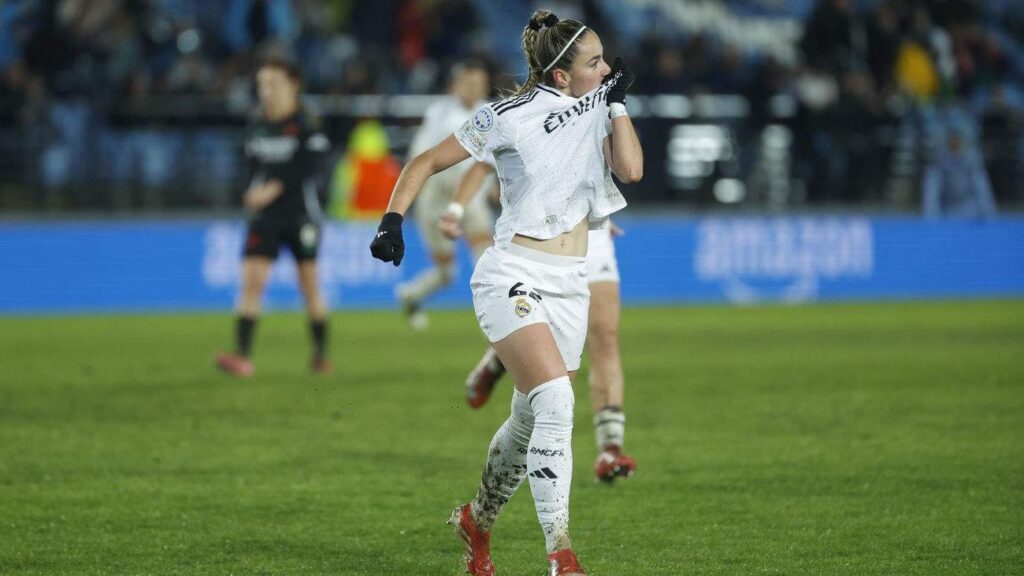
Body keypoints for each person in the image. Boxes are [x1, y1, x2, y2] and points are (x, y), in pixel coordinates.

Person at [370, 10, 642, 576]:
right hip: (512, 271)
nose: (607, 68)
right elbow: (427, 160)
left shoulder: (599, 108)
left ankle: (477, 520)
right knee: (558, 403)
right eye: (595, 63)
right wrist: (393, 219)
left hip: (571, 284)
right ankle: (561, 554)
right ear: (562, 75)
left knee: (528, 421)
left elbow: (632, 170)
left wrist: (615, 103)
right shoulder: (507, 116)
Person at [442, 160, 637, 484]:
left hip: (590, 234)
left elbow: (618, 163)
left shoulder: (604, 109)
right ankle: (498, 360)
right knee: (541, 334)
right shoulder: (527, 111)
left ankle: (610, 448)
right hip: (535, 241)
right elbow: (484, 160)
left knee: (604, 334)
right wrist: (456, 209)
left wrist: (603, 207)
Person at [215, 57, 333, 377]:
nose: (266, 92)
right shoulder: (257, 122)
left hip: (300, 215)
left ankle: (320, 355)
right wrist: (251, 193)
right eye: (261, 85)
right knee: (252, 281)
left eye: (273, 84)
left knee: (309, 284)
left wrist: (274, 188)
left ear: (293, 84)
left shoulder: (307, 121)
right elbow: (251, 167)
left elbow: (311, 167)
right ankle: (242, 355)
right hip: (264, 216)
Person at [395, 59, 495, 330]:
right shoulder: (440, 113)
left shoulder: (489, 111)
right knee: (446, 274)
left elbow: (495, 157)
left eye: (480, 83)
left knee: (486, 257)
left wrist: (495, 186)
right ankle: (411, 296)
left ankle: (496, 315)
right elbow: (421, 157)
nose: (475, 88)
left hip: (472, 196)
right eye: (469, 83)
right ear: (455, 86)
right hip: (437, 198)